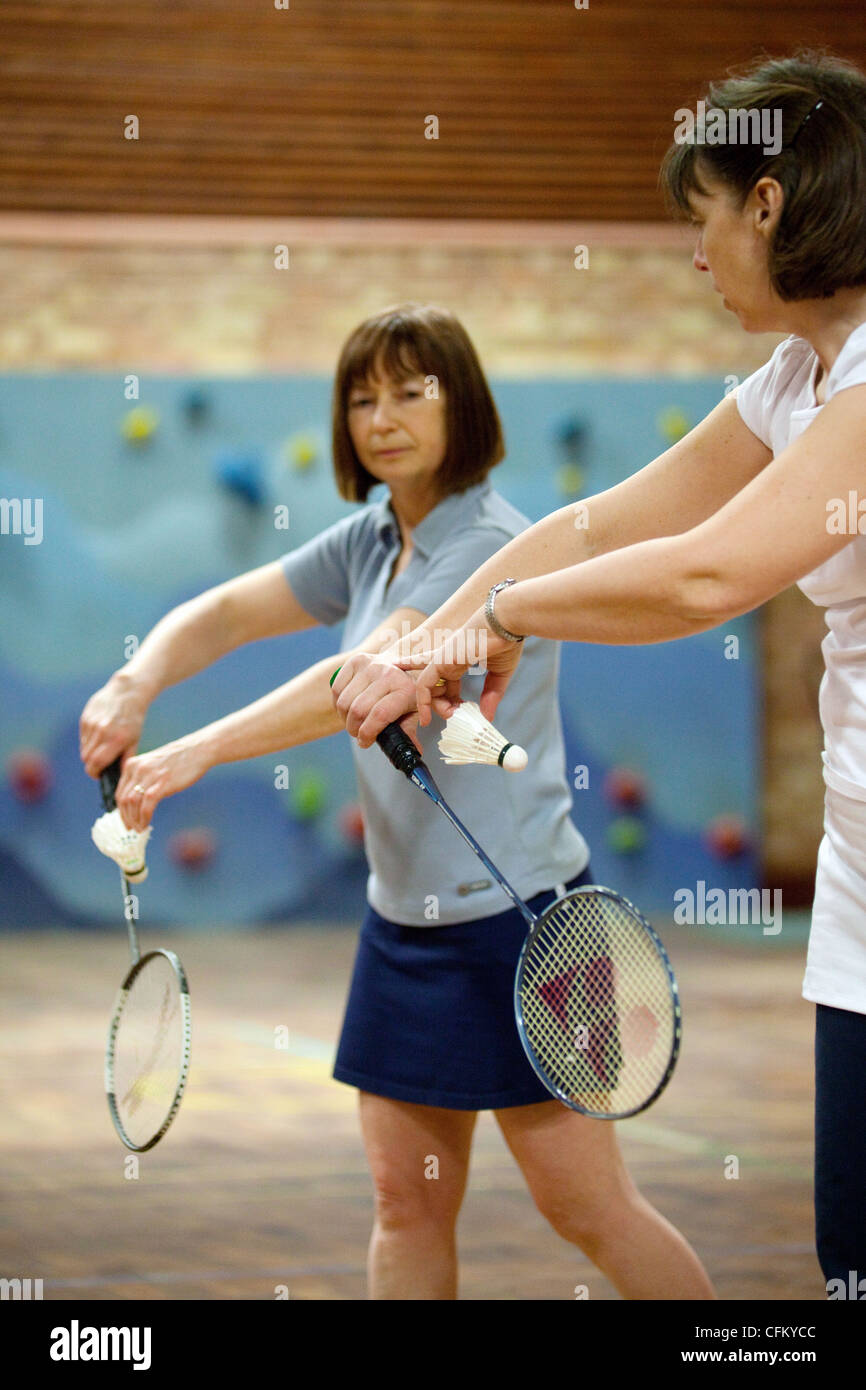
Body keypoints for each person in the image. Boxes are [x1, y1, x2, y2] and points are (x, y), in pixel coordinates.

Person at [331, 53, 866, 1294]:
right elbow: (603, 525)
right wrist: (433, 636)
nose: (695, 253)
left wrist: (495, 618)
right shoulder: (795, 378)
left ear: (770, 204)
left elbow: (699, 577)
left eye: (702, 217)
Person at [80, 303, 714, 1301]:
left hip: (525, 926)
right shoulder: (373, 540)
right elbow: (230, 608)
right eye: (360, 396)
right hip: (402, 930)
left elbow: (364, 671)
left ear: (460, 401)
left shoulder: (494, 543)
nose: (381, 415)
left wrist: (189, 750)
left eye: (410, 390)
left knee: (584, 1207)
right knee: (402, 1203)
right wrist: (135, 681)